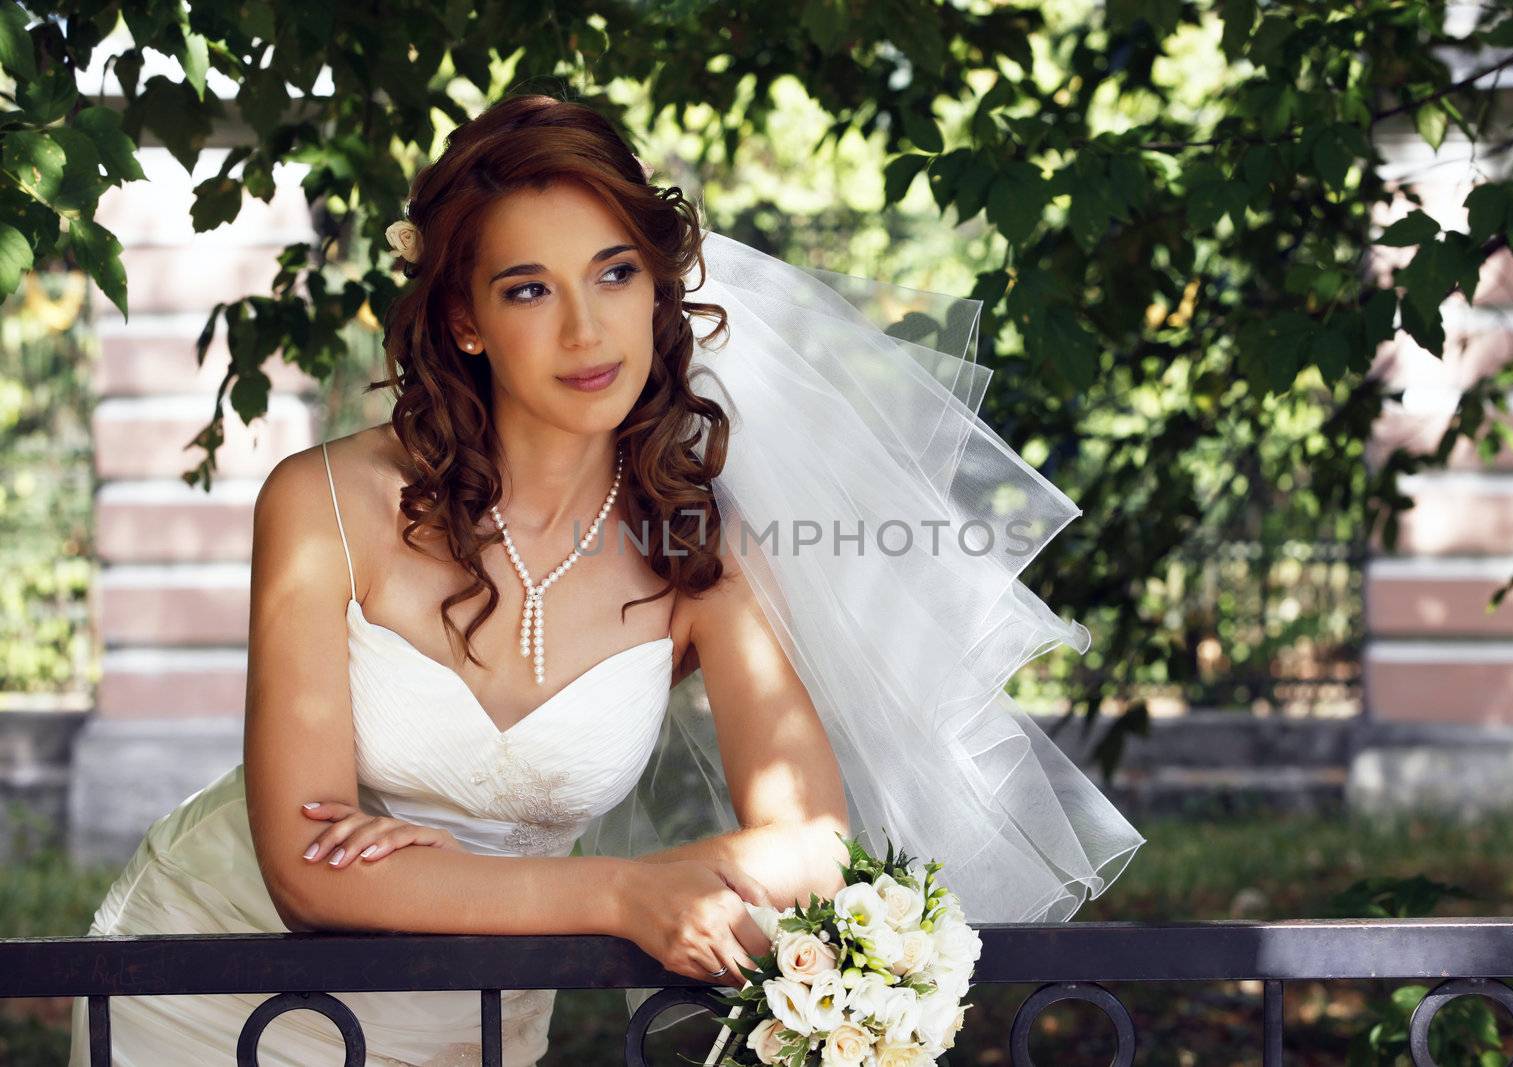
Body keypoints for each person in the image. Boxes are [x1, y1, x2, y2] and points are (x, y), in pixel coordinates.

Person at [70, 92, 1145, 1065]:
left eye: (615, 272)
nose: (586, 330)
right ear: (464, 320)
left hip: (468, 1021)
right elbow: (308, 873)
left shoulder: (696, 545)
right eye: (529, 288)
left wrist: (427, 869)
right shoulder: (322, 504)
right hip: (213, 996)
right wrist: (626, 891)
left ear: (657, 288)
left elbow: (818, 851)